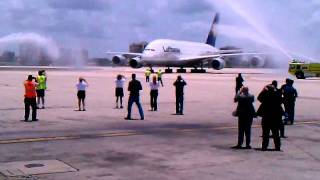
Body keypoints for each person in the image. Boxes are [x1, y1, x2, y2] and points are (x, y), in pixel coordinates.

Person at [257, 82, 284, 151]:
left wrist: (263, 91)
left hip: (267, 117)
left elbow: (259, 98)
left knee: (265, 133)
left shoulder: (266, 96)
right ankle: (277, 147)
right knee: (276, 133)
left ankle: (264, 147)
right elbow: (281, 100)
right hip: (276, 117)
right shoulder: (277, 95)